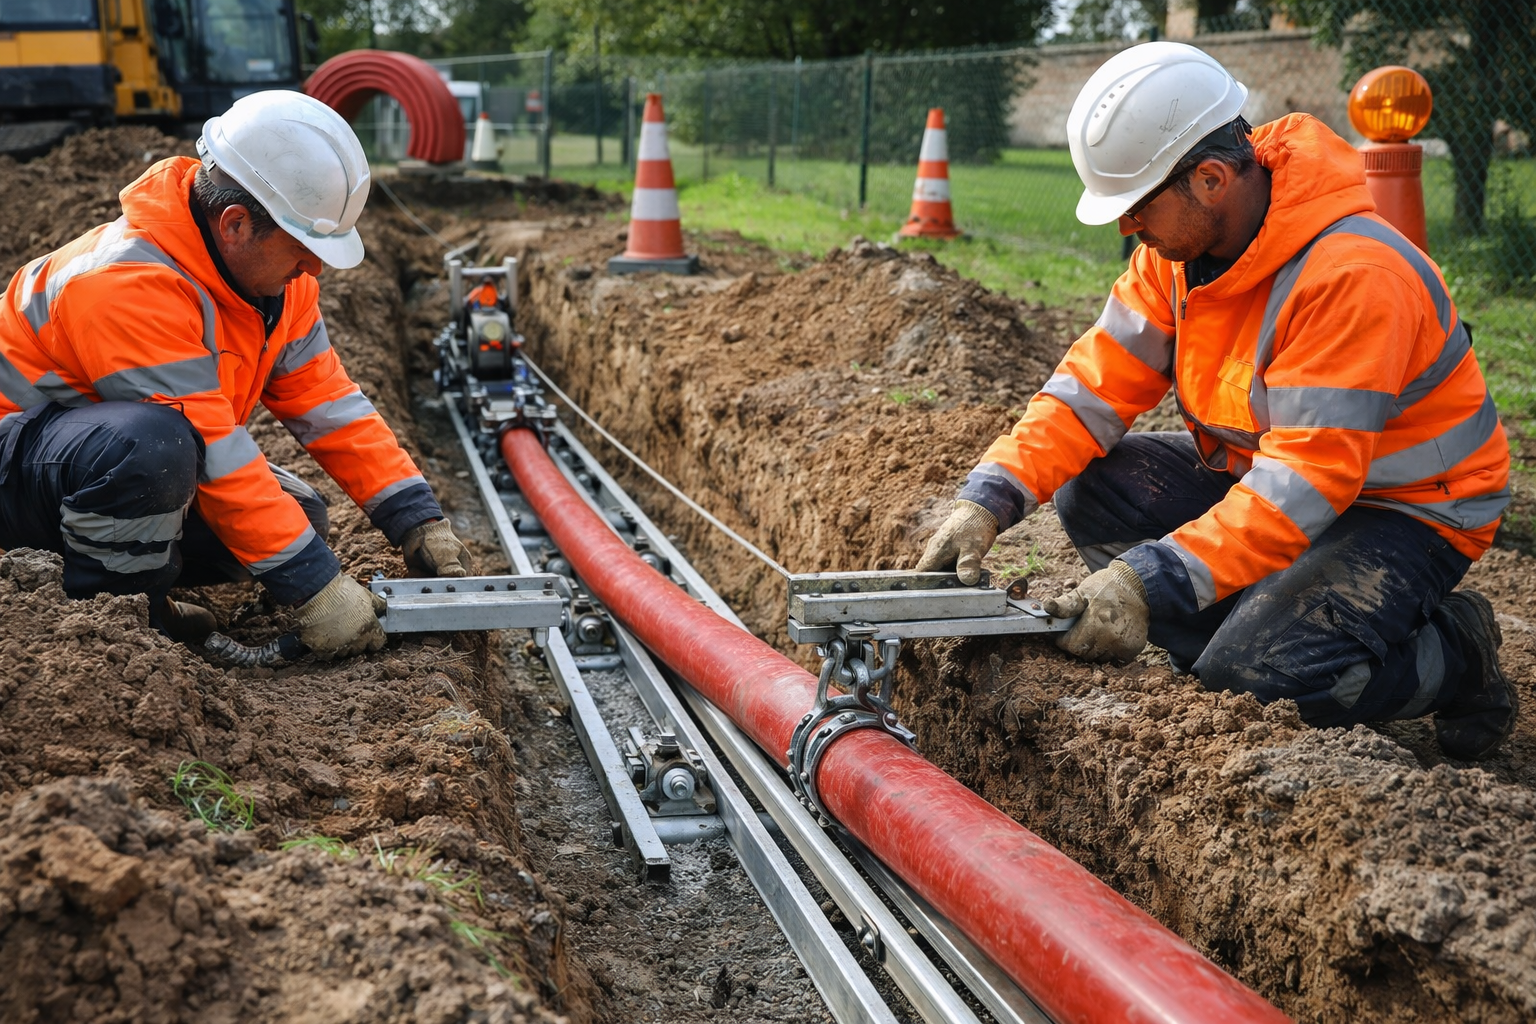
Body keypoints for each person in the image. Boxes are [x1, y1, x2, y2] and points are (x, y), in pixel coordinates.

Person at [918, 42, 1517, 760]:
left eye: (1137, 205)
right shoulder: (1173, 259)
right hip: (1274, 479)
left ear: (1208, 178)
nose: (1126, 227)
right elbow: (1090, 389)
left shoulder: (1351, 274)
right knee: (1095, 489)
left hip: (1408, 507)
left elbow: (1308, 481)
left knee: (1258, 678)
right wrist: (989, 497)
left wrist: (1148, 581)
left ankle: (1457, 650)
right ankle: (1262, 622)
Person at [0, 90, 472, 658]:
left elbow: (328, 402)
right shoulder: (125, 283)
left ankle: (137, 581)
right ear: (235, 224)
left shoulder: (277, 285)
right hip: (17, 471)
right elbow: (211, 447)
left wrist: (415, 519)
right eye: (303, 246)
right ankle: (121, 629)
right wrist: (316, 590)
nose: (315, 267)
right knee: (151, 448)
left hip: (75, 470)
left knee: (302, 516)